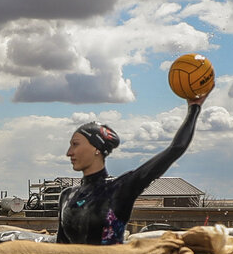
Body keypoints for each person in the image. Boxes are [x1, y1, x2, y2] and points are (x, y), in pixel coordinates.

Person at [55, 86, 210, 245]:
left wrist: (194, 108)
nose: (69, 152)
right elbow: (61, 247)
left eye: (75, 144)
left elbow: (175, 149)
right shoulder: (67, 196)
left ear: (96, 149)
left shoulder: (119, 189)